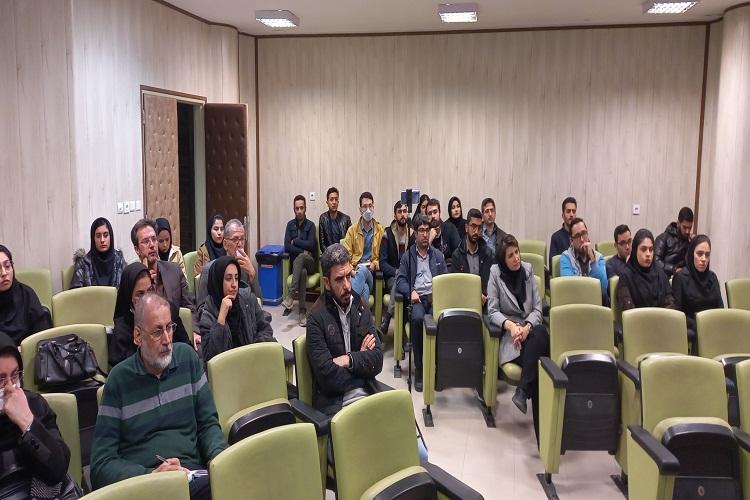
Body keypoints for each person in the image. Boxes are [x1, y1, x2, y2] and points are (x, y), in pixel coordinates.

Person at [91, 293, 226, 500]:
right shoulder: (119, 381)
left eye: (169, 327)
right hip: (144, 485)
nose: (167, 340)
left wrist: (221, 462)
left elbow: (208, 424)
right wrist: (151, 475)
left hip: (190, 474)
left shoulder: (187, 360)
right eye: (157, 332)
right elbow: (101, 465)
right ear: (138, 336)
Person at [306, 244, 383, 417]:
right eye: (340, 279)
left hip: (367, 395)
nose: (347, 285)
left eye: (349, 276)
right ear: (327, 283)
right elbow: (327, 379)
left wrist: (349, 359)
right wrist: (361, 362)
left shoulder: (360, 305)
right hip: (335, 406)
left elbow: (377, 360)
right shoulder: (316, 318)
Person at [487, 234, 549, 437]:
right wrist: (512, 327)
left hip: (530, 331)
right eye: (510, 256)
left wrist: (527, 328)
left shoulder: (528, 271)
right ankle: (543, 434)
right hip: (510, 336)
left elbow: (538, 308)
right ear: (503, 260)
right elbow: (492, 311)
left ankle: (522, 391)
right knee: (541, 362)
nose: (516, 258)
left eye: (517, 252)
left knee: (541, 332)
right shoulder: (495, 273)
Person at [0, 331, 73, 499]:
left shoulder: (34, 404)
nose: (10, 388)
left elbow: (58, 469)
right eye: (0, 380)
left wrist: (27, 422)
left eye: (15, 375)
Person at [396, 215, 447, 392]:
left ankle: (437, 368)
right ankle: (419, 368)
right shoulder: (408, 256)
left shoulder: (438, 255)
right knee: (417, 319)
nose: (425, 234)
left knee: (439, 321)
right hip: (417, 299)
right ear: (415, 233)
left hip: (435, 299)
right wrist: (411, 291)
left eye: (427, 230)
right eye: (421, 231)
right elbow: (400, 280)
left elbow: (445, 279)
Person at [109, 262, 192, 368]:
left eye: (150, 290)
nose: (147, 298)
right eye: (140, 294)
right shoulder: (122, 330)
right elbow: (121, 370)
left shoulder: (168, 312)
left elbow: (186, 349)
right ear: (129, 297)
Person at [200, 256, 275, 364]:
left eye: (236, 278)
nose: (234, 285)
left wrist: (251, 351)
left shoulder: (248, 299)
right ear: (218, 281)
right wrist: (221, 319)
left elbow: (266, 329)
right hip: (226, 369)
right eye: (228, 279)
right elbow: (210, 358)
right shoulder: (208, 313)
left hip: (252, 362)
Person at [131, 219, 198, 336]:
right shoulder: (132, 279)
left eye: (154, 239)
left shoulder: (174, 270)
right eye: (146, 242)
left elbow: (190, 306)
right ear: (137, 249)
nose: (152, 245)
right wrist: (148, 285)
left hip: (176, 335)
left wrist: (195, 331)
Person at [196, 219, 264, 317]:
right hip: (219, 319)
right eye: (235, 239)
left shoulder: (248, 268)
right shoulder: (209, 270)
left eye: (242, 239)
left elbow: (258, 304)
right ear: (225, 244)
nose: (240, 244)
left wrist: (252, 275)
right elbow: (201, 310)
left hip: (244, 319)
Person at [672, 235, 723, 338]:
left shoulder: (712, 277)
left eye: (707, 255)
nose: (704, 259)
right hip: (691, 329)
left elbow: (720, 308)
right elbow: (677, 313)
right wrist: (700, 324)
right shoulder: (681, 278)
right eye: (699, 254)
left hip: (712, 327)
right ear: (692, 254)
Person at [0, 245, 51, 346]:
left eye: (7, 266)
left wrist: (24, 349)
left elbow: (43, 337)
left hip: (28, 354)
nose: (4, 273)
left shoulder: (27, 295)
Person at [341, 192, 384, 303]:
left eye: (370, 206)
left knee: (364, 270)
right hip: (355, 272)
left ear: (373, 207)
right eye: (365, 206)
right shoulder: (352, 230)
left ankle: (347, 304)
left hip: (371, 273)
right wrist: (351, 271)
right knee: (364, 289)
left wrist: (375, 264)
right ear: (360, 210)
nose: (368, 210)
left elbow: (383, 257)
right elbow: (345, 256)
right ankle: (358, 312)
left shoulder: (380, 230)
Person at [617, 229, 675, 311]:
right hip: (636, 319)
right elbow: (628, 309)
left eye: (651, 249)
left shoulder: (660, 274)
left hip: (661, 318)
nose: (648, 254)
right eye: (643, 249)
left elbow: (670, 304)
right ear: (635, 251)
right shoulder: (626, 276)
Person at [282, 195, 318, 326]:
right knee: (302, 270)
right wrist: (302, 251)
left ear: (305, 209)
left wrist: (296, 241)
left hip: (311, 263)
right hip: (297, 266)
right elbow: (287, 246)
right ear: (294, 209)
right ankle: (302, 311)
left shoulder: (311, 225)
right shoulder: (290, 225)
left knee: (302, 258)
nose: (299, 211)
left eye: (301, 208)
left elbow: (311, 245)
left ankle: (291, 295)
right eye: (297, 208)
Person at [378, 201, 413, 333]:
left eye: (405, 211)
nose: (403, 214)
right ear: (395, 215)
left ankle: (388, 316)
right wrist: (397, 271)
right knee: (399, 282)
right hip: (392, 278)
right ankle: (403, 335)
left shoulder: (413, 234)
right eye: (399, 212)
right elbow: (382, 263)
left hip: (409, 277)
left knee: (403, 286)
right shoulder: (387, 234)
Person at [451, 208, 493, 308]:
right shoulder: (457, 255)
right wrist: (475, 296)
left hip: (486, 302)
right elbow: (457, 287)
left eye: (479, 227)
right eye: (473, 226)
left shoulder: (488, 253)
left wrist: (484, 295)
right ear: (466, 227)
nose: (476, 231)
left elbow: (490, 281)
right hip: (465, 304)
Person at [560, 218, 608, 302]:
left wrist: (593, 260)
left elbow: (604, 286)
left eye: (584, 233)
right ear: (571, 240)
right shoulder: (566, 257)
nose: (582, 240)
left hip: (595, 302)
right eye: (577, 236)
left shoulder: (598, 257)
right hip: (575, 301)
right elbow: (568, 286)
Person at [71, 217, 126, 289]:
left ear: (111, 237)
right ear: (93, 239)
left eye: (105, 235)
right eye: (98, 236)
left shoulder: (119, 259)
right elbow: (75, 292)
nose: (102, 240)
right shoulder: (83, 262)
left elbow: (127, 287)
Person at [655, 206, 694, 278]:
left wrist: (694, 244)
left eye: (690, 228)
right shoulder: (663, 238)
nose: (687, 231)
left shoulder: (690, 241)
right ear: (678, 223)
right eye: (685, 227)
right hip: (664, 279)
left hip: (683, 279)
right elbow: (655, 261)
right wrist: (673, 269)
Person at [425, 198, 461, 264]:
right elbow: (421, 259)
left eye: (435, 212)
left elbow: (459, 254)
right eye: (429, 213)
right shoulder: (424, 233)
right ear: (426, 216)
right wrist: (429, 241)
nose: (433, 216)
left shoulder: (450, 228)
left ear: (439, 212)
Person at [318, 187, 352, 253]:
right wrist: (330, 255)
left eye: (336, 199)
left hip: (343, 254)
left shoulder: (346, 219)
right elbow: (322, 244)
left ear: (338, 202)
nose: (334, 202)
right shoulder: (323, 218)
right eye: (331, 199)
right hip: (328, 254)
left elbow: (350, 242)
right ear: (327, 202)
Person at [549, 197, 577, 269]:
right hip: (563, 274)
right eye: (568, 211)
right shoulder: (556, 237)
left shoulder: (581, 236)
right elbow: (552, 266)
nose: (571, 214)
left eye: (574, 211)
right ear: (563, 215)